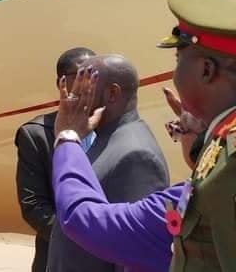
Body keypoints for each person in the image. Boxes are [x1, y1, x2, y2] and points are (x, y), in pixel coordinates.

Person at [51, 68, 205, 272]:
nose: (75, 100)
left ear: (112, 94)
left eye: (179, 130)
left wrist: (67, 137)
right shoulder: (106, 139)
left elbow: (86, 221)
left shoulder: (137, 154)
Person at [158, 0, 236, 270]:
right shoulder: (220, 138)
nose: (174, 75)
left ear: (206, 70)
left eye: (179, 59)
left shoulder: (232, 157)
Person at [14, 46, 96, 272]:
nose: (90, 81)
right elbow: (33, 206)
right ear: (62, 82)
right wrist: (83, 241)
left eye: (96, 74)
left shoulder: (113, 126)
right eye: (81, 74)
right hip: (58, 260)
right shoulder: (36, 135)